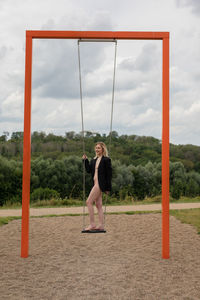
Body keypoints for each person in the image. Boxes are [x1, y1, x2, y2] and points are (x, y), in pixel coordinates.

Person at [82, 142, 112, 231]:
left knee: (88, 202)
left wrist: (108, 188)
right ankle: (101, 225)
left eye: (98, 148)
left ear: (103, 149)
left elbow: (109, 175)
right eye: (96, 148)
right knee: (98, 205)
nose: (97, 149)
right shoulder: (94, 160)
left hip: (100, 184)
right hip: (95, 183)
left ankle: (92, 224)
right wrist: (85, 160)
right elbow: (88, 170)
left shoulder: (106, 160)